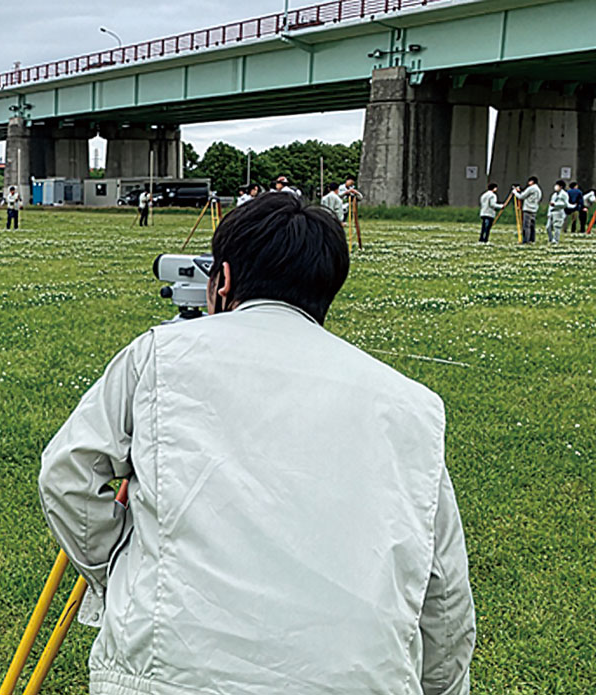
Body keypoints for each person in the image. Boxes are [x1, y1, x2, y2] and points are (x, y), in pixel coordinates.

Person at [39, 193, 475, 695]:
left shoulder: (158, 354)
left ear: (221, 281)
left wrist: (114, 570)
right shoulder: (412, 405)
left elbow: (68, 471)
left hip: (165, 675)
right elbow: (443, 592)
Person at [513, 176, 541, 244]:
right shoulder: (538, 189)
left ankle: (526, 240)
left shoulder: (531, 188)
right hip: (534, 209)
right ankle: (532, 239)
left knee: (526, 226)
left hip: (528, 209)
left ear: (532, 182)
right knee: (532, 226)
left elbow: (522, 196)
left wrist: (515, 192)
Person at [546, 179, 569, 245]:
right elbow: (550, 204)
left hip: (559, 212)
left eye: (557, 185)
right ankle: (551, 239)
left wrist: (556, 204)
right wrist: (549, 212)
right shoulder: (554, 195)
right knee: (548, 227)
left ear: (561, 187)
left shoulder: (564, 194)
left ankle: (556, 240)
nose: (556, 187)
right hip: (552, 212)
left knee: (557, 227)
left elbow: (565, 204)